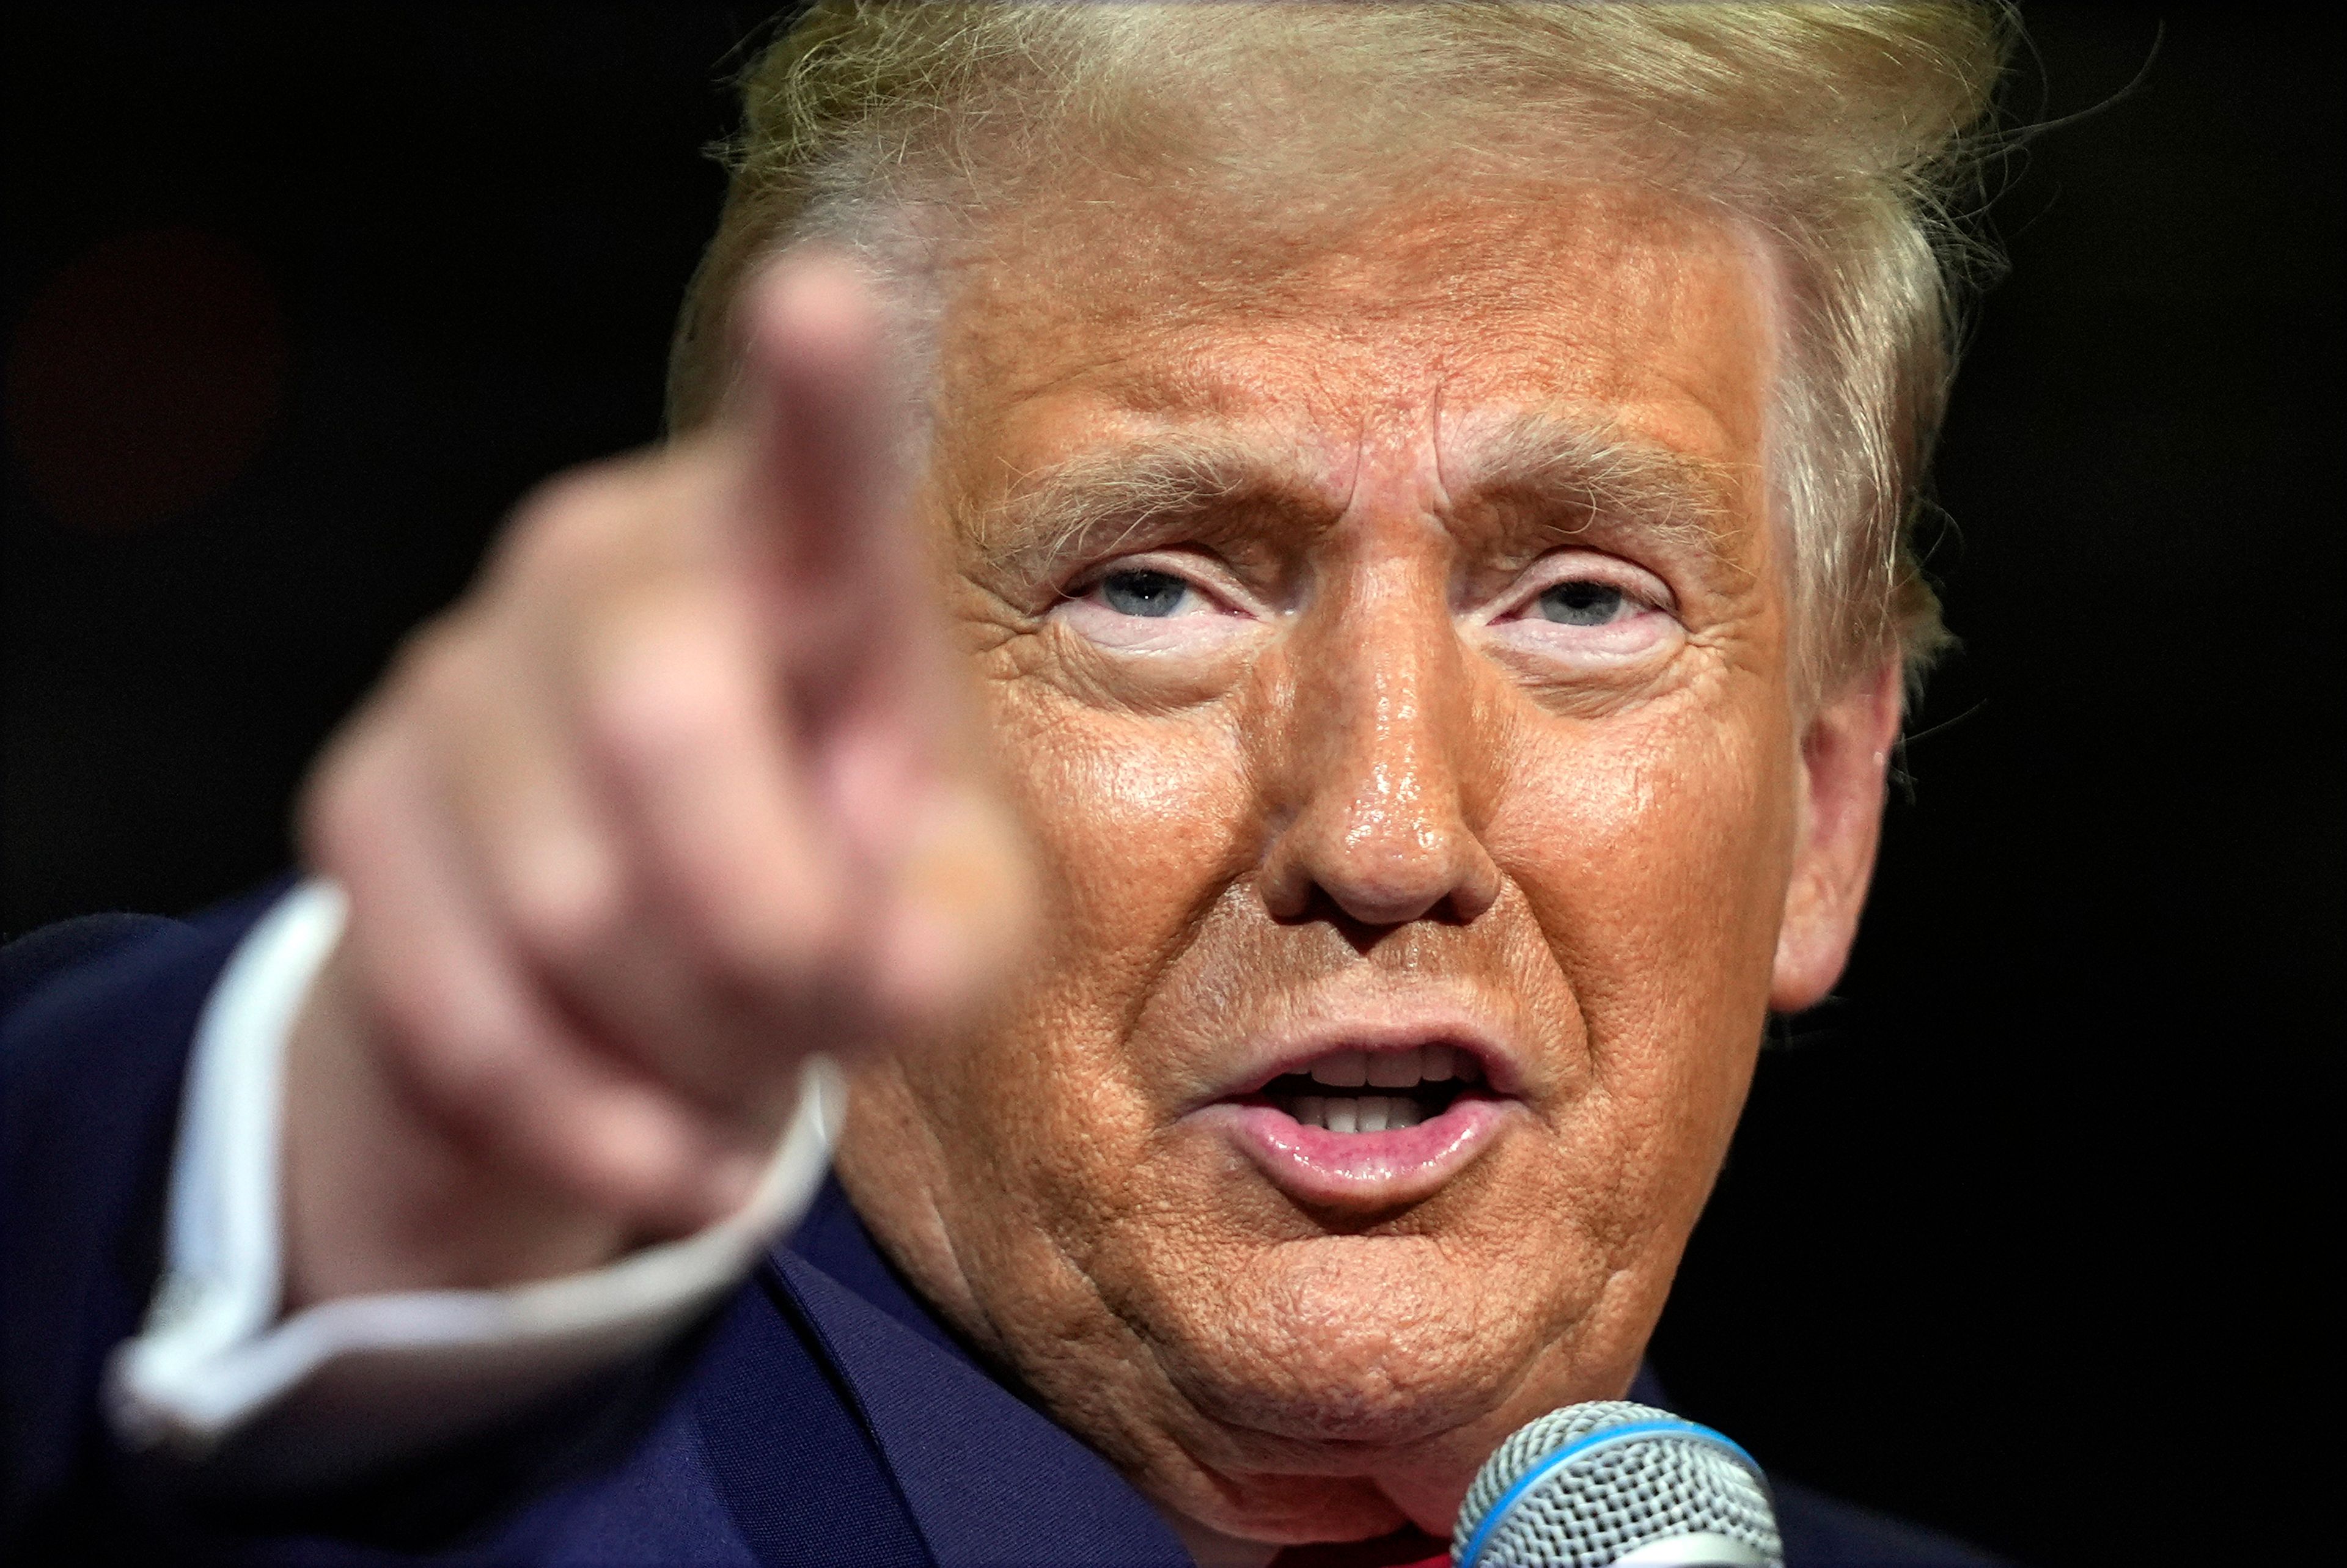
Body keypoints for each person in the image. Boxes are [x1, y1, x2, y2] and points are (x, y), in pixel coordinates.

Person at [2, 4, 2017, 1563]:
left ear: (1826, 811)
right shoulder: (390, 1501)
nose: (1388, 832)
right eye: (1152, 589)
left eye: (1584, 603)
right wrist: (352, 1137)